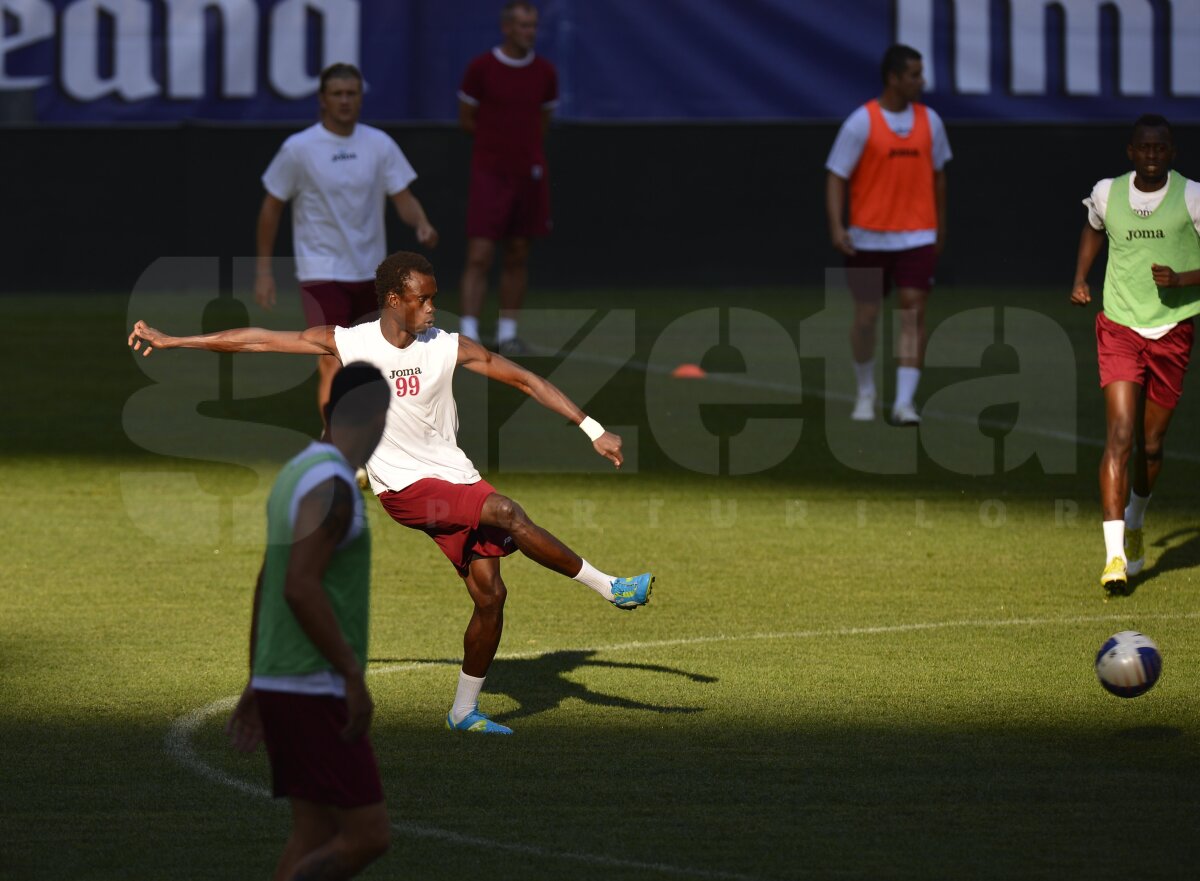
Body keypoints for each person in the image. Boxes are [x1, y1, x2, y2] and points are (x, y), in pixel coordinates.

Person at [130, 251, 653, 736]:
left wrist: (592, 428)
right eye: (423, 299)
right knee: (506, 511)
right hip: (404, 489)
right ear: (394, 300)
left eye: (434, 297)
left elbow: (525, 380)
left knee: (490, 596)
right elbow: (258, 340)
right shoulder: (351, 343)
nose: (432, 308)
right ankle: (610, 586)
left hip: (456, 476)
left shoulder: (446, 346)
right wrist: (175, 341)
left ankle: (463, 712)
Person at [224, 363, 393, 880]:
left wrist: (259, 676)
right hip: (314, 685)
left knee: (314, 832)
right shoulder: (334, 488)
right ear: (377, 419)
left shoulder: (296, 473)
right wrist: (350, 675)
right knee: (368, 834)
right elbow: (298, 584)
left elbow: (267, 578)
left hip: (286, 678)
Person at [255, 62, 439, 424]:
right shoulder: (298, 149)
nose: (344, 100)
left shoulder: (379, 144)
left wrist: (421, 222)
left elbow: (402, 197)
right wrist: (263, 270)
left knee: (373, 361)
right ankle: (335, 446)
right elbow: (271, 208)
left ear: (360, 99)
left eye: (351, 93)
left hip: (372, 272)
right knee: (331, 358)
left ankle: (368, 441)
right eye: (337, 94)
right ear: (323, 100)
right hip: (321, 271)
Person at [1070, 114, 1200, 596]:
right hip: (1120, 325)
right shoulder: (1108, 192)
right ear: (1130, 152)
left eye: (1160, 148)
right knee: (1120, 435)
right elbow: (1093, 227)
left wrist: (1182, 280)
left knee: (1151, 445)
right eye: (1144, 147)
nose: (1151, 155)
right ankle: (1114, 557)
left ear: (1172, 153)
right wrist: (1081, 278)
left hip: (1172, 330)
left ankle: (1136, 519)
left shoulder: (1192, 196)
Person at [825, 44, 952, 425]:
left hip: (917, 236)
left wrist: (939, 228)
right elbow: (836, 175)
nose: (921, 81)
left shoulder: (931, 121)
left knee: (913, 311)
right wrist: (837, 226)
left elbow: (939, 177)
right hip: (868, 238)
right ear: (893, 78)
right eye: (914, 74)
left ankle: (903, 403)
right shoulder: (860, 122)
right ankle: (865, 392)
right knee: (866, 318)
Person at [456, 1, 558, 355]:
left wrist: (524, 153)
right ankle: (468, 334)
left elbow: (542, 122)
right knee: (480, 254)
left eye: (533, 25)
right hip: (490, 174)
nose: (529, 32)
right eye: (523, 25)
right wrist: (496, 149)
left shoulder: (545, 72)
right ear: (507, 28)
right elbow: (467, 119)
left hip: (529, 176)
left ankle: (507, 333)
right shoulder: (481, 68)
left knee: (517, 252)